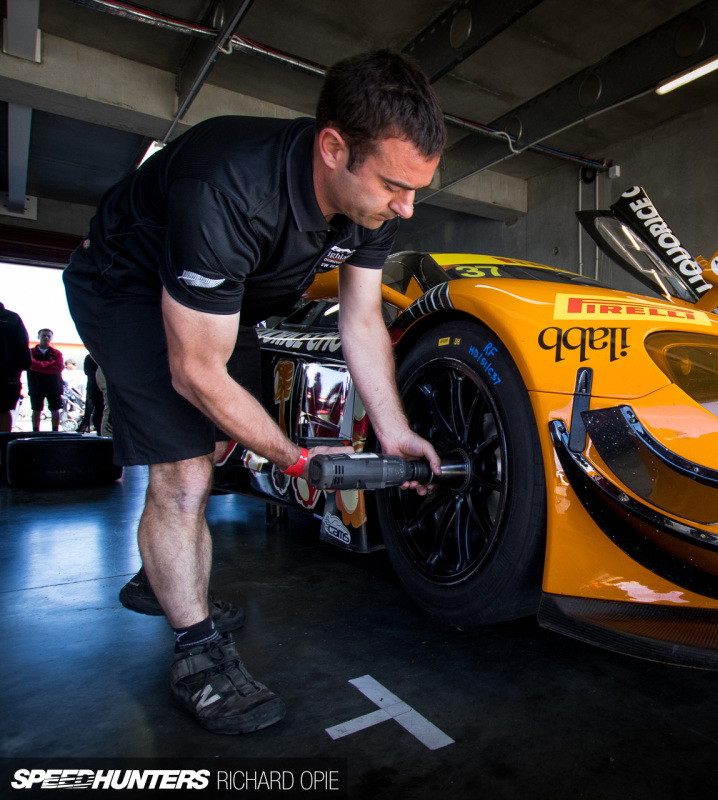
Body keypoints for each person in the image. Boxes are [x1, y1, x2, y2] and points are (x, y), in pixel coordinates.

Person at [62, 49, 445, 735]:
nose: (406, 208)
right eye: (393, 185)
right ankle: (197, 654)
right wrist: (297, 460)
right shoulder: (228, 186)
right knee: (182, 471)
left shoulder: (375, 204)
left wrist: (394, 429)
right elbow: (195, 373)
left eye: (417, 188)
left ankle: (160, 575)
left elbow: (361, 318)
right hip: (127, 289)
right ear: (333, 148)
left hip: (224, 301)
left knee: (211, 439)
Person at [0, 301, 31, 432]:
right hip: (7, 373)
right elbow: (22, 347)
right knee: (3, 410)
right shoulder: (12, 318)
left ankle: (3, 446)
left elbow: (22, 348)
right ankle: (3, 446)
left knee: (3, 409)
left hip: (6, 373)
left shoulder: (11, 319)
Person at [27, 328, 65, 432]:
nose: (46, 338)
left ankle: (55, 431)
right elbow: (29, 365)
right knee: (36, 409)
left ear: (51, 338)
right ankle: (35, 432)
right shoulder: (30, 352)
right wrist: (49, 366)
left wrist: (38, 367)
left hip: (54, 386)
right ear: (38, 337)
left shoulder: (57, 353)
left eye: (48, 336)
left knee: (55, 410)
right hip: (36, 385)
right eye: (44, 335)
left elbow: (58, 368)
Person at [78, 353, 106, 434]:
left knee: (100, 409)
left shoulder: (101, 357)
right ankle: (85, 427)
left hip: (99, 386)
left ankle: (98, 429)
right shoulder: (89, 357)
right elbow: (88, 372)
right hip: (93, 386)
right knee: (90, 409)